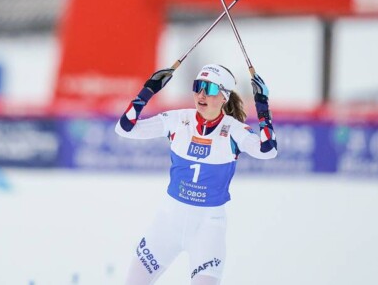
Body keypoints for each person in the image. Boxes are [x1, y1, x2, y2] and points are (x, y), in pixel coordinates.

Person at [115, 63, 278, 284]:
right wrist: (149, 89)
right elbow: (124, 128)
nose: (201, 94)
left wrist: (262, 105)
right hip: (168, 222)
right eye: (198, 86)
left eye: (209, 89)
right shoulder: (178, 119)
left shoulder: (234, 131)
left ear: (224, 96)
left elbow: (268, 150)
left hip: (207, 229)